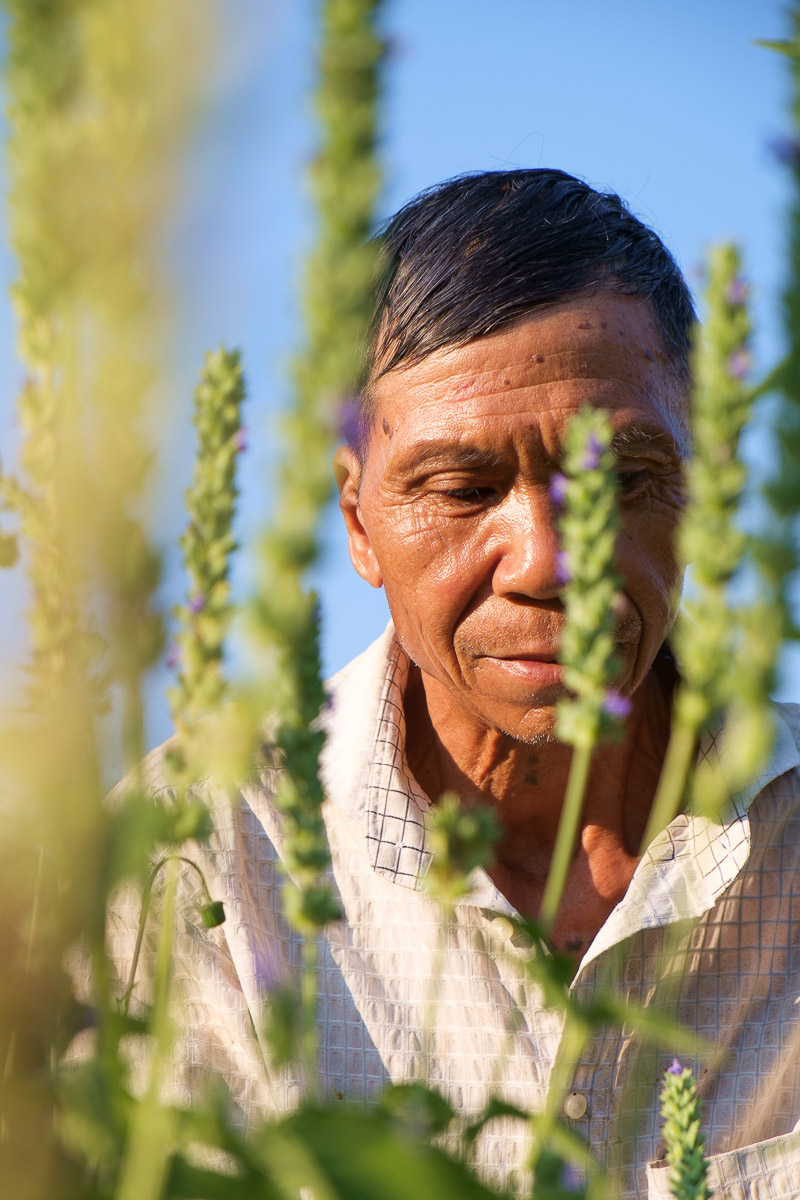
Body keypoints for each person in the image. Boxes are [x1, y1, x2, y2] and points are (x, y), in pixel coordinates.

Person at [109, 170, 800, 1199]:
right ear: (356, 521)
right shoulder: (194, 860)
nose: (545, 561)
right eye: (462, 489)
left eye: (617, 482)